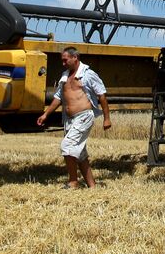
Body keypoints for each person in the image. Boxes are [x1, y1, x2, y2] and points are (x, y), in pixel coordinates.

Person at [36, 47, 111, 188]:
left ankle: (73, 182)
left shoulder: (88, 75)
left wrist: (107, 118)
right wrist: (46, 114)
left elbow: (102, 95)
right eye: (62, 60)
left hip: (84, 116)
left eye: (65, 60)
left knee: (67, 146)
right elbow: (58, 97)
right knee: (80, 154)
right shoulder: (65, 76)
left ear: (75, 58)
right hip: (69, 120)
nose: (63, 63)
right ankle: (92, 186)